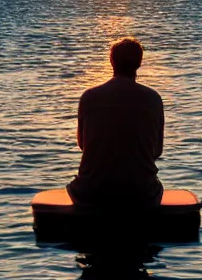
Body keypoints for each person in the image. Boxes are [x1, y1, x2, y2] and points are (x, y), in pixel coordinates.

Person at [67, 38, 165, 208]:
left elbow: (83, 145)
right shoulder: (153, 99)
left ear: (111, 61)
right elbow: (157, 151)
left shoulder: (89, 97)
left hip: (90, 193)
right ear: (139, 63)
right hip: (143, 193)